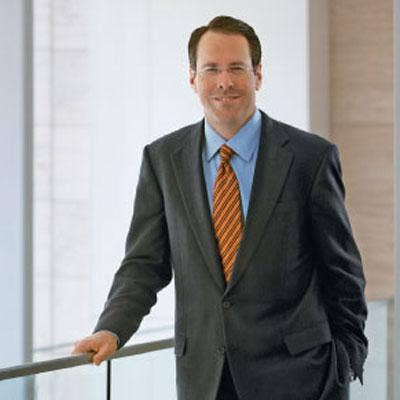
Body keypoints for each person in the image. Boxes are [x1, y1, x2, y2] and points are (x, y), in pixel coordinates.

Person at [72, 15, 368, 400]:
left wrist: (346, 361)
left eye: (236, 68)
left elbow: (342, 270)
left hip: (301, 378)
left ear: (257, 75)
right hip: (205, 380)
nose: (224, 82)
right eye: (211, 69)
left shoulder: (309, 158)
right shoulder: (163, 160)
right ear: (192, 78)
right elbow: (144, 264)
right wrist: (111, 329)